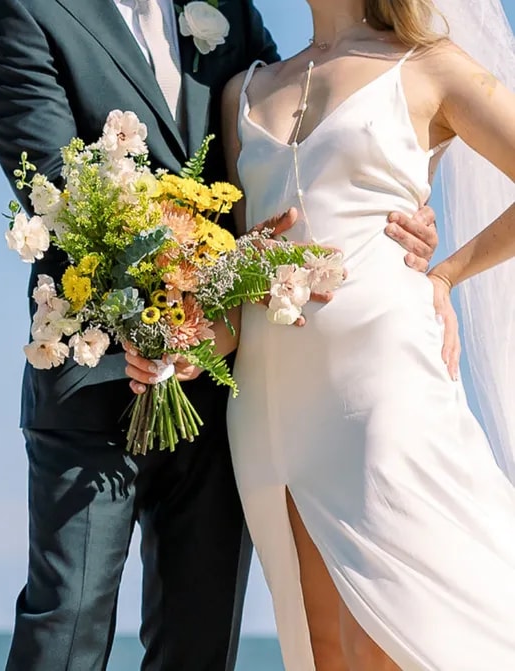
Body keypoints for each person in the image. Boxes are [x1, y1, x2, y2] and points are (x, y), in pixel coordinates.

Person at [0, 0, 442, 668]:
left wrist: (397, 225)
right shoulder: (20, 13)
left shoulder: (224, 9)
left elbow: (293, 142)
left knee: (201, 640)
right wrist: (191, 283)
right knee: (67, 628)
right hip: (96, 372)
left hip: (221, 388)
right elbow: (59, 191)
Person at [220, 0, 515, 668]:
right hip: (268, 402)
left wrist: (448, 273)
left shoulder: (427, 66)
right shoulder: (245, 89)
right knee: (322, 643)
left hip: (384, 383)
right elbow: (234, 248)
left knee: (390, 626)